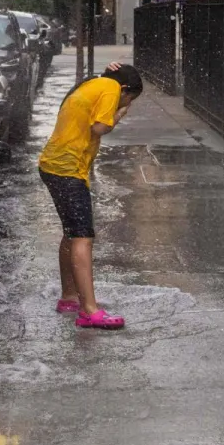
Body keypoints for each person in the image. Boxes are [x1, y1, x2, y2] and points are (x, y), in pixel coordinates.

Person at [39, 64, 143, 330]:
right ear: (125, 89)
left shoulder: (92, 84)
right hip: (68, 170)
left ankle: (69, 297)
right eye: (130, 99)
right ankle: (89, 310)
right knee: (83, 237)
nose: (127, 104)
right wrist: (119, 113)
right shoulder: (111, 87)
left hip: (54, 165)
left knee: (72, 233)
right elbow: (100, 128)